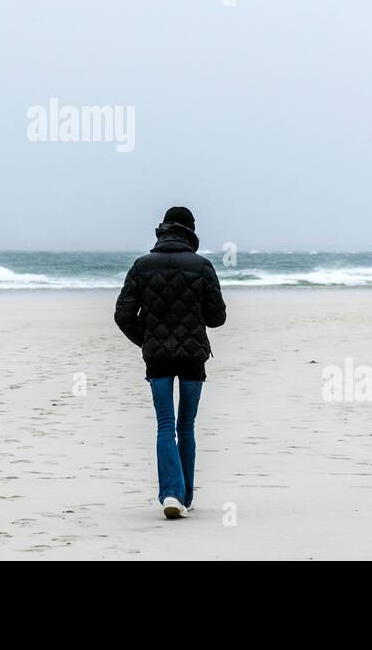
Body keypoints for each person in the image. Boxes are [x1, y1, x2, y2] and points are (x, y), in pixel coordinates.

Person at [114, 206, 227, 519]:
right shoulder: (202, 266)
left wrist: (148, 340)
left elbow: (122, 315)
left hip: (158, 358)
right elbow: (218, 318)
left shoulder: (142, 266)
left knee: (165, 425)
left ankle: (171, 494)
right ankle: (185, 497)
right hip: (193, 357)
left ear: (162, 230)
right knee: (186, 426)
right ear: (191, 233)